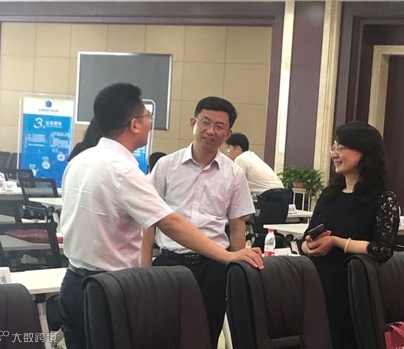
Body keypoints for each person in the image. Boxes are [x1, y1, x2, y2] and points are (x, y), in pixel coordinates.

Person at [59, 84, 263, 349]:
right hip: (110, 287)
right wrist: (228, 256)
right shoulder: (124, 170)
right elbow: (169, 222)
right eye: (148, 116)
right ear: (134, 124)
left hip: (74, 282)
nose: (150, 122)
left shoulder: (80, 160)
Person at [141, 97, 256, 348]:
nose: (211, 131)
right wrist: (145, 268)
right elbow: (149, 220)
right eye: (205, 122)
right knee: (162, 336)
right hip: (169, 264)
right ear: (193, 122)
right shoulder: (166, 166)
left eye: (219, 126)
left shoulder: (234, 174)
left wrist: (236, 271)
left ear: (228, 133)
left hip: (213, 268)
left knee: (206, 336)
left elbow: (237, 227)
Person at [301, 121, 399, 349]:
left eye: (341, 147)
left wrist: (336, 242)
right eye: (333, 147)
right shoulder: (330, 193)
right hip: (319, 286)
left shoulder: (383, 198)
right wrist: (308, 246)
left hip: (355, 290)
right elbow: (307, 236)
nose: (334, 154)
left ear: (364, 152)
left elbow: (382, 249)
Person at [225, 132, 291, 205]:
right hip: (281, 196)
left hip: (271, 197)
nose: (226, 151)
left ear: (238, 148)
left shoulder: (241, 159)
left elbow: (236, 184)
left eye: (228, 147)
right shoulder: (251, 156)